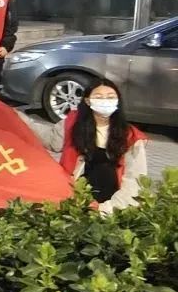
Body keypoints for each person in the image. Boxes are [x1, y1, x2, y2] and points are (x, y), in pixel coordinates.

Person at [52, 79, 148, 215]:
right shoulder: (73, 125)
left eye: (110, 97)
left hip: (112, 206)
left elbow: (134, 179)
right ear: (87, 101)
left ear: (118, 101)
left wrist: (106, 210)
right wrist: (19, 118)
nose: (105, 101)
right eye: (98, 97)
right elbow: (51, 141)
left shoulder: (131, 136)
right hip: (76, 199)